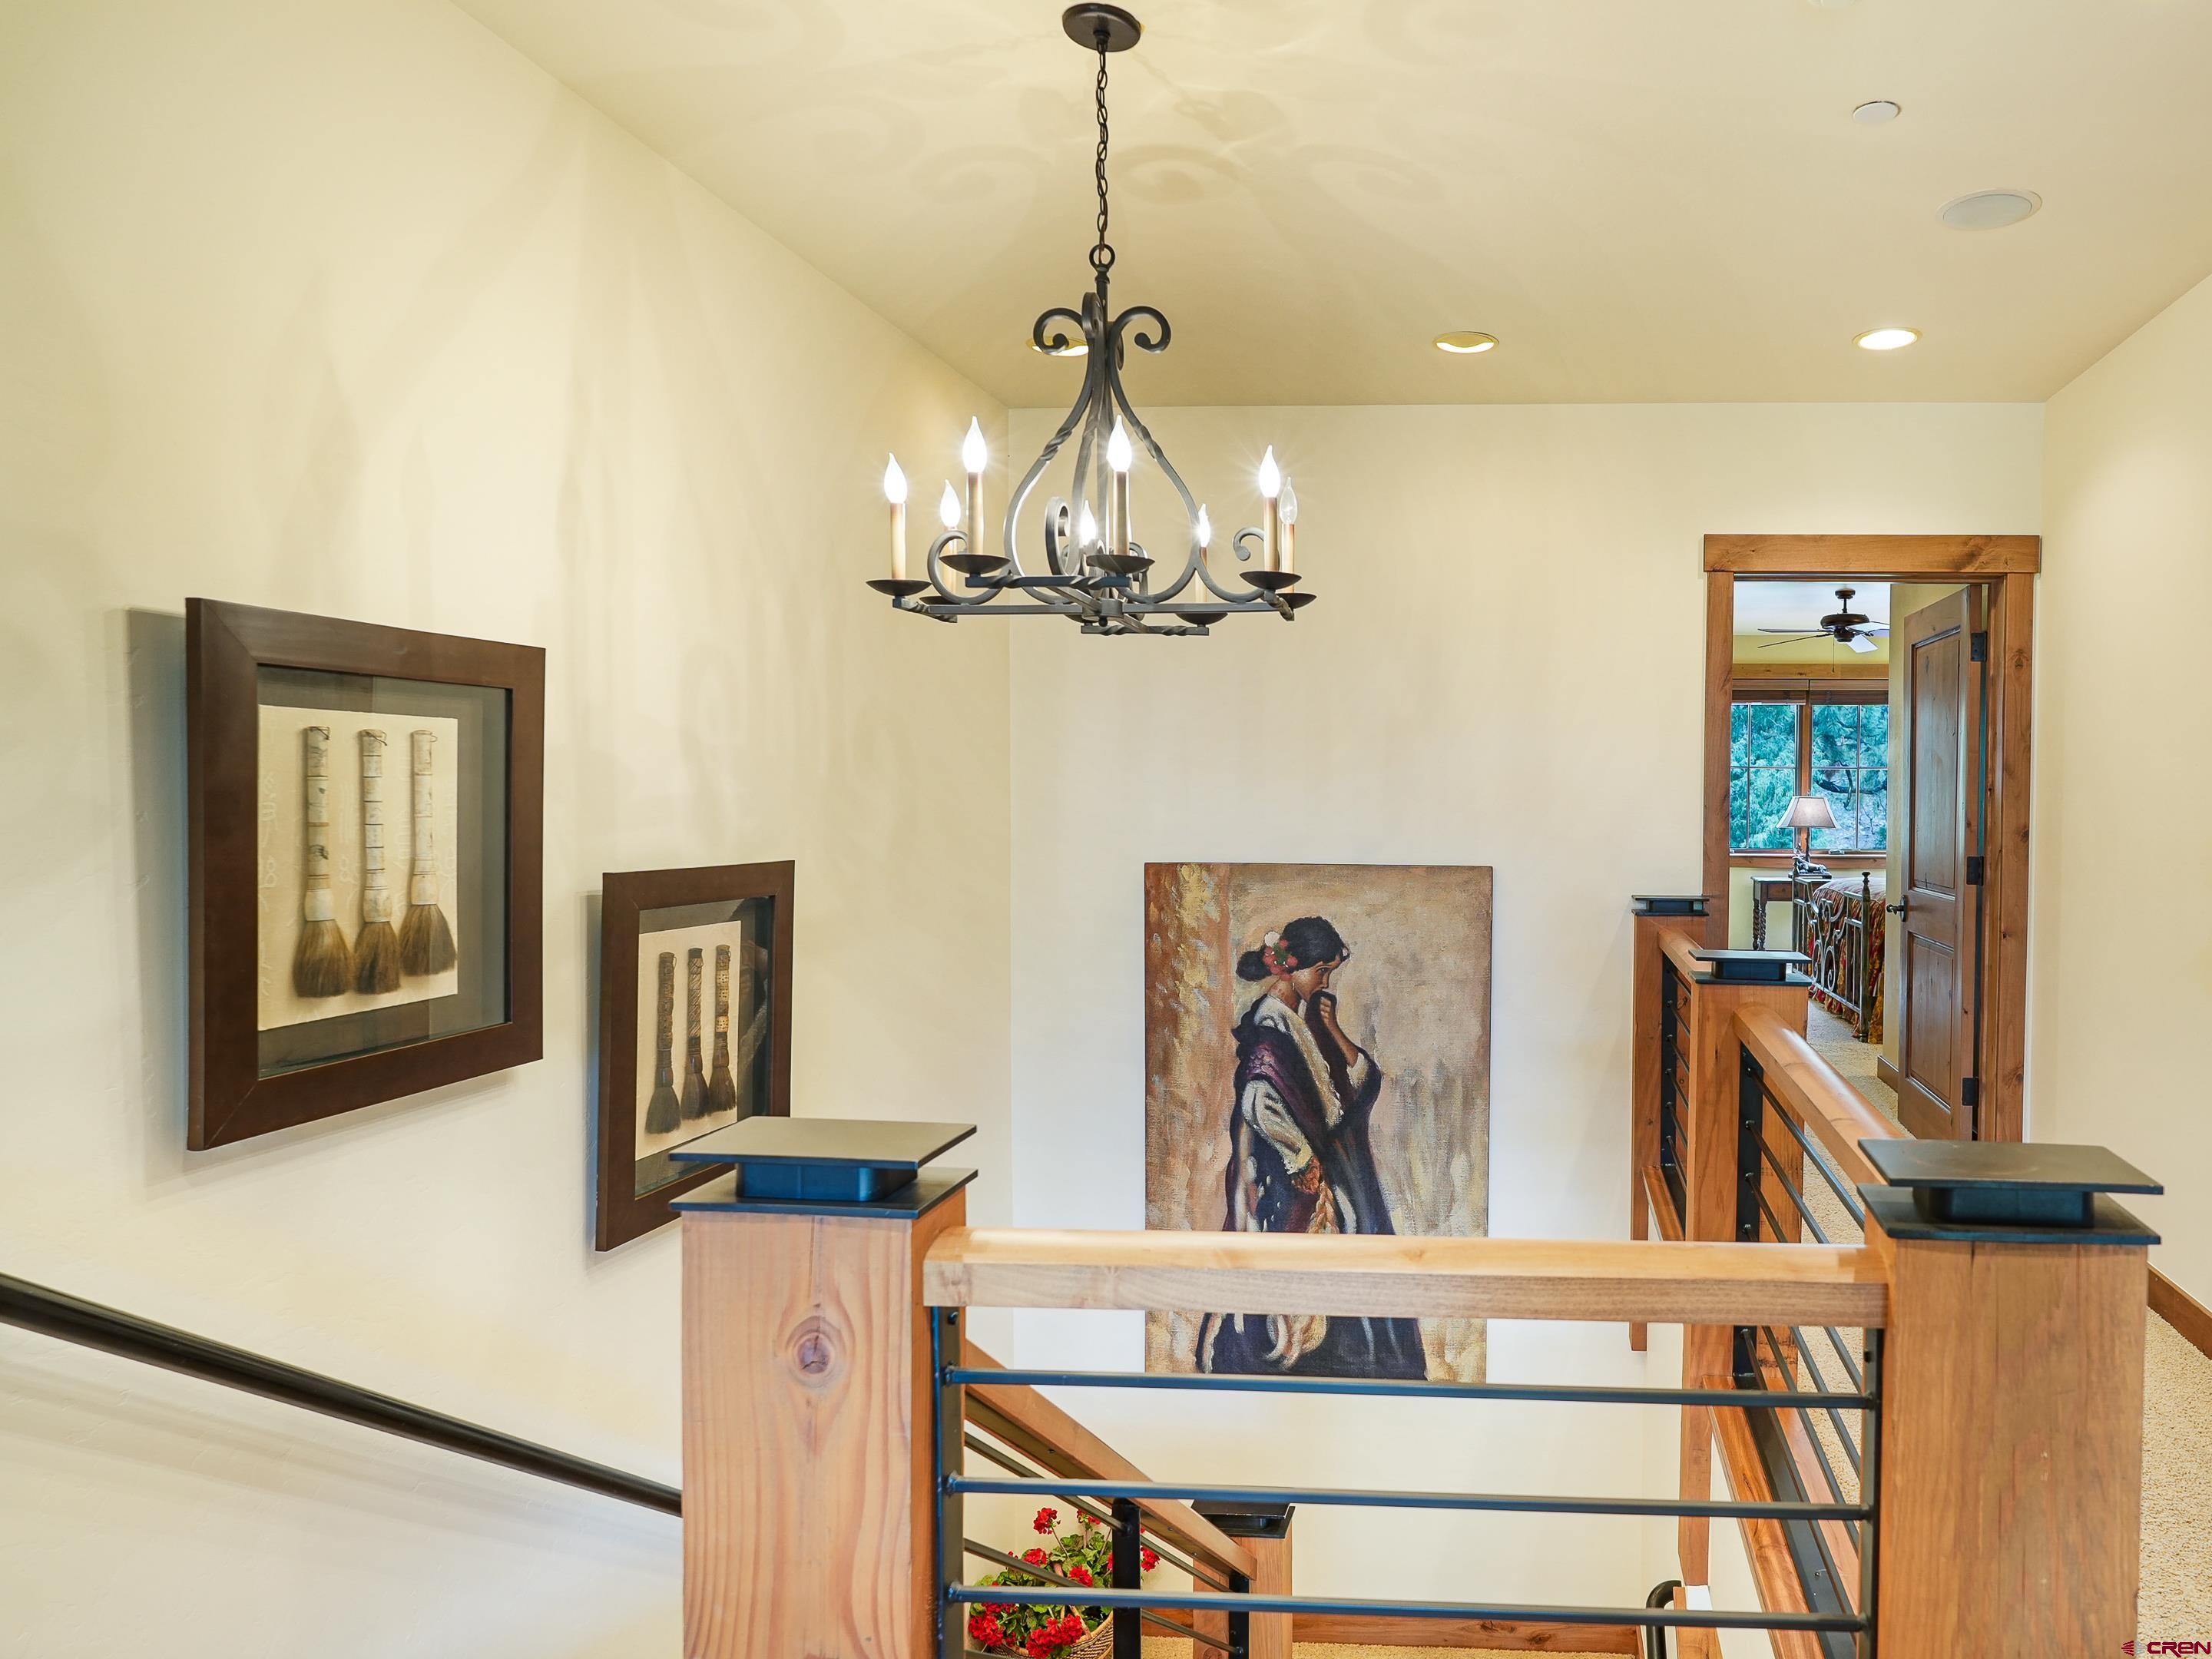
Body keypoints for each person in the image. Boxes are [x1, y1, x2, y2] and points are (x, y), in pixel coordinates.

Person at [1196, 916, 1427, 1379]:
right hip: (1289, 1183)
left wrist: (1334, 1030)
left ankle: (1348, 1358)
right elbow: (1259, 1099)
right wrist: (1300, 1159)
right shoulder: (1270, 1028)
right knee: (1293, 1284)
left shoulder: (1302, 1023)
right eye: (1321, 971)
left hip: (1327, 1173)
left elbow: (1348, 1097)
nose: (1325, 981)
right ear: (1292, 968)